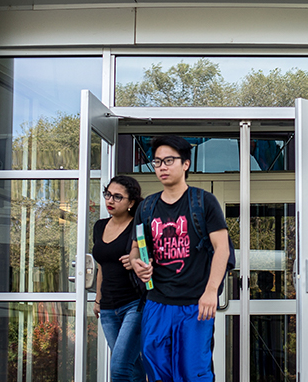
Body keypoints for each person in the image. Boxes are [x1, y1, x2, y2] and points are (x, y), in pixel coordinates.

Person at [131, 136, 230, 382]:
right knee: (156, 372)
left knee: (194, 373)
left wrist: (211, 291)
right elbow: (135, 249)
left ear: (185, 164)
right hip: (157, 303)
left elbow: (222, 249)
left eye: (169, 160)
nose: (162, 167)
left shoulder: (203, 201)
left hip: (195, 305)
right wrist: (136, 264)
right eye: (157, 162)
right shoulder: (147, 207)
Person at [93, 175, 147, 382]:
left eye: (117, 197)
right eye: (108, 195)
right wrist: (98, 299)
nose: (110, 201)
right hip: (108, 308)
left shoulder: (139, 227)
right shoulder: (99, 226)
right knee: (132, 367)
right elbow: (101, 266)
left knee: (119, 368)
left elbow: (153, 258)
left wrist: (137, 257)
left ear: (131, 202)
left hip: (134, 304)